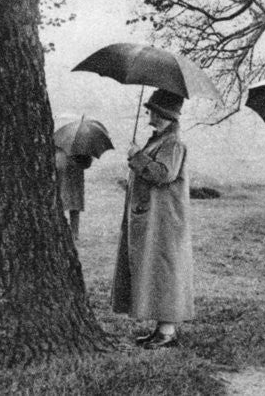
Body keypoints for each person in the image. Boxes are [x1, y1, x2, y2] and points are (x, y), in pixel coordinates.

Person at [111, 89, 193, 349]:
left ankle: (167, 332)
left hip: (166, 221)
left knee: (164, 272)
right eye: (150, 111)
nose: (149, 117)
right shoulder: (159, 141)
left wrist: (137, 156)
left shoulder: (173, 144)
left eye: (154, 112)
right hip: (154, 218)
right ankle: (162, 330)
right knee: (156, 271)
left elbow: (163, 174)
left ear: (165, 115)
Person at [54, 149, 92, 240]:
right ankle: (74, 232)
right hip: (74, 173)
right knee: (74, 203)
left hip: (65, 170)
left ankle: (63, 231)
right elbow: (87, 163)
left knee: (62, 201)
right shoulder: (81, 144)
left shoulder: (58, 142)